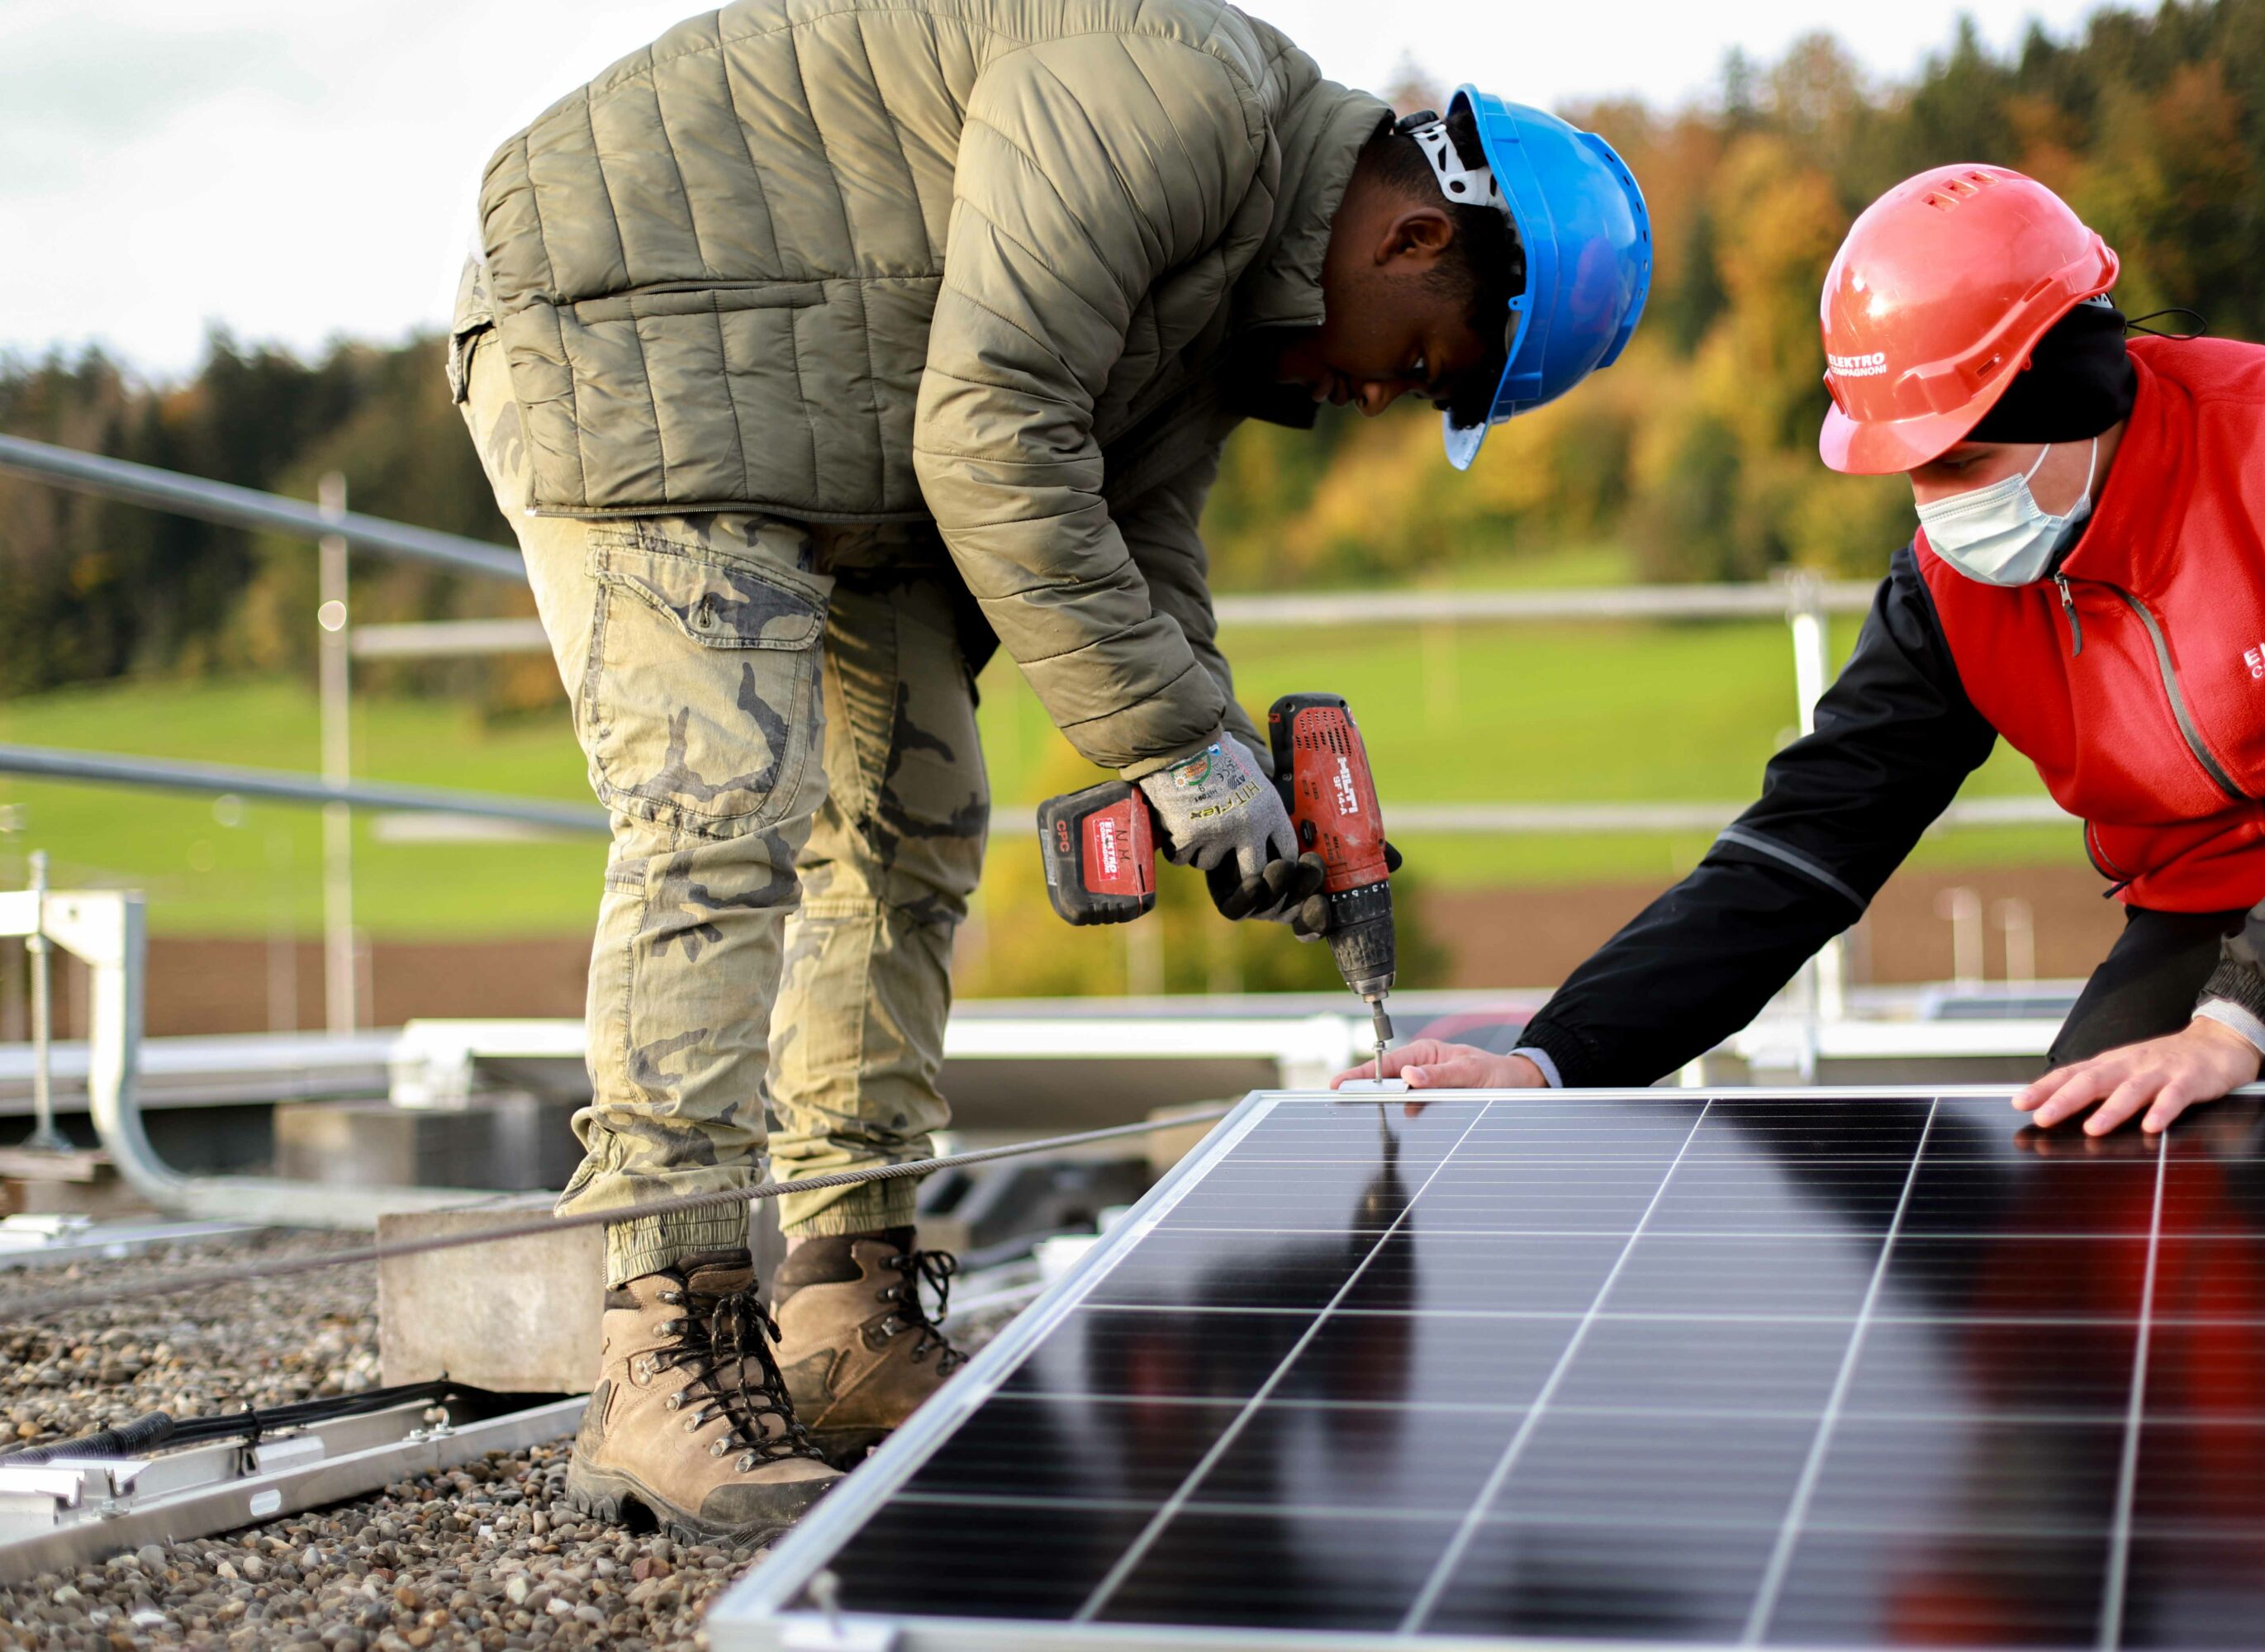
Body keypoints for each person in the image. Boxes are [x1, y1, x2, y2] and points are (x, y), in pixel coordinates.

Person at [449, 0, 1650, 1542]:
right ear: (1415, 237)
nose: (1377, 400)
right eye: (1421, 365)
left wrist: (1224, 769)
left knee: (917, 816)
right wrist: (1164, 744)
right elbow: (996, 428)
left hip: (853, 420)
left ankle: (841, 1308)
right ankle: (659, 1340)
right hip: (640, 326)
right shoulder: (1183, 103)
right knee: (722, 807)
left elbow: (1136, 532)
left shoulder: (1232, 310)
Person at [1345, 163, 2265, 1141]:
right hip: (2201, 921)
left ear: (2076, 389)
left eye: (1963, 461)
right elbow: (1801, 851)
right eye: (1913, 471)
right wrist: (1553, 1060)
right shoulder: (1950, 592)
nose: (1938, 509)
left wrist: (2241, 1020)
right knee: (2092, 1188)